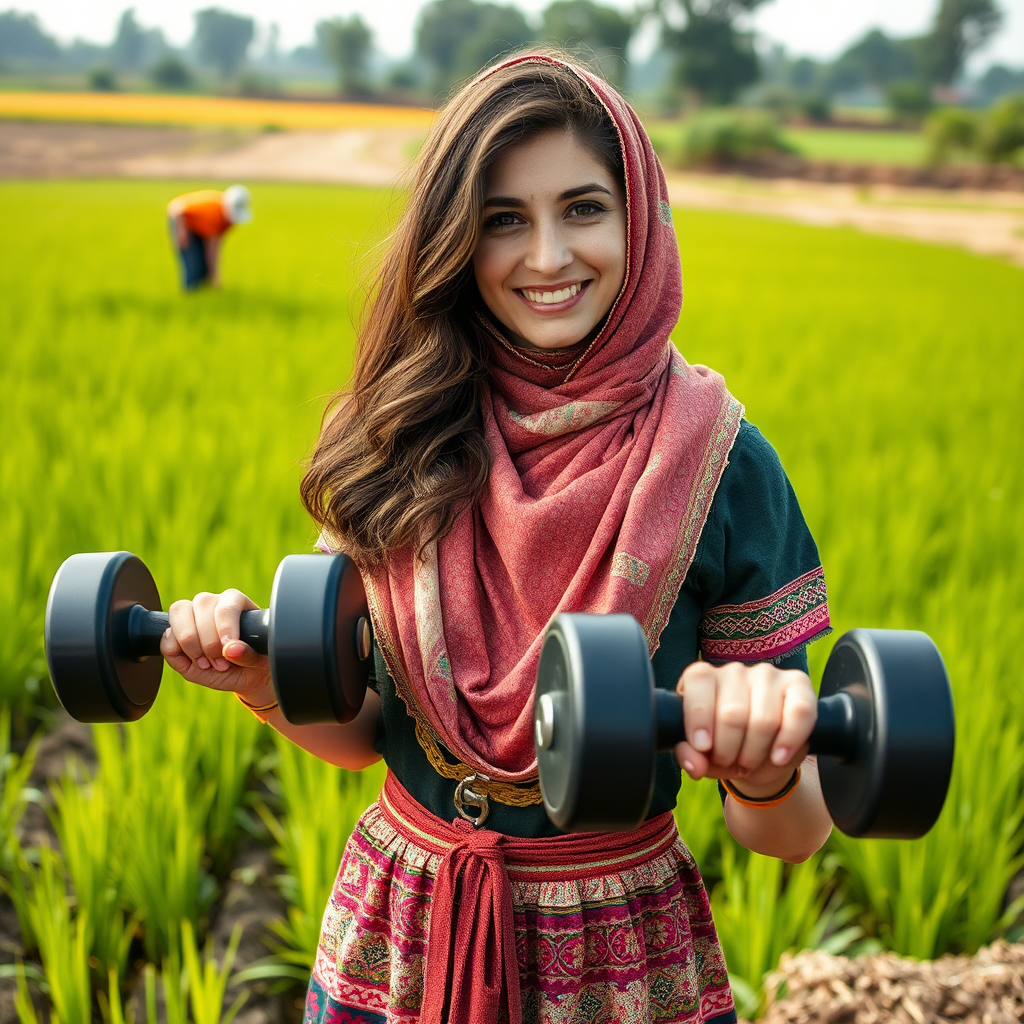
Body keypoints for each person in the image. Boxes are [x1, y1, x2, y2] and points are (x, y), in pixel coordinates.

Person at [160, 53, 833, 1024]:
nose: (549, 256)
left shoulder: (720, 461)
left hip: (613, 952)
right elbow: (357, 736)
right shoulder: (396, 427)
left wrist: (764, 761)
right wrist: (262, 679)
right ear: (454, 238)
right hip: (402, 930)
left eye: (584, 208)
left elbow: (792, 832)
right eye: (503, 219)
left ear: (639, 217)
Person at [166, 184, 252, 290]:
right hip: (183, 222)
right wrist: (181, 232)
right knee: (193, 266)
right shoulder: (214, 211)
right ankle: (190, 292)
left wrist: (213, 274)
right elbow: (175, 209)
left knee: (203, 268)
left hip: (201, 228)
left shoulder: (228, 221)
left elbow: (214, 246)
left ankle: (203, 290)